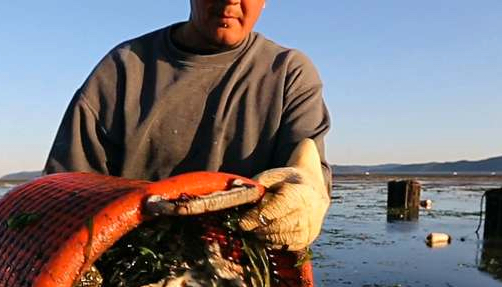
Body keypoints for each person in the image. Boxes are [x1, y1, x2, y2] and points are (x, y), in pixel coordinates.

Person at [44, 0, 331, 251]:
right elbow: (65, 192)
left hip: (241, 274)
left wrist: (307, 192)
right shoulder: (124, 69)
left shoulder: (288, 74)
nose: (230, 0)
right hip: (125, 262)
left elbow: (306, 170)